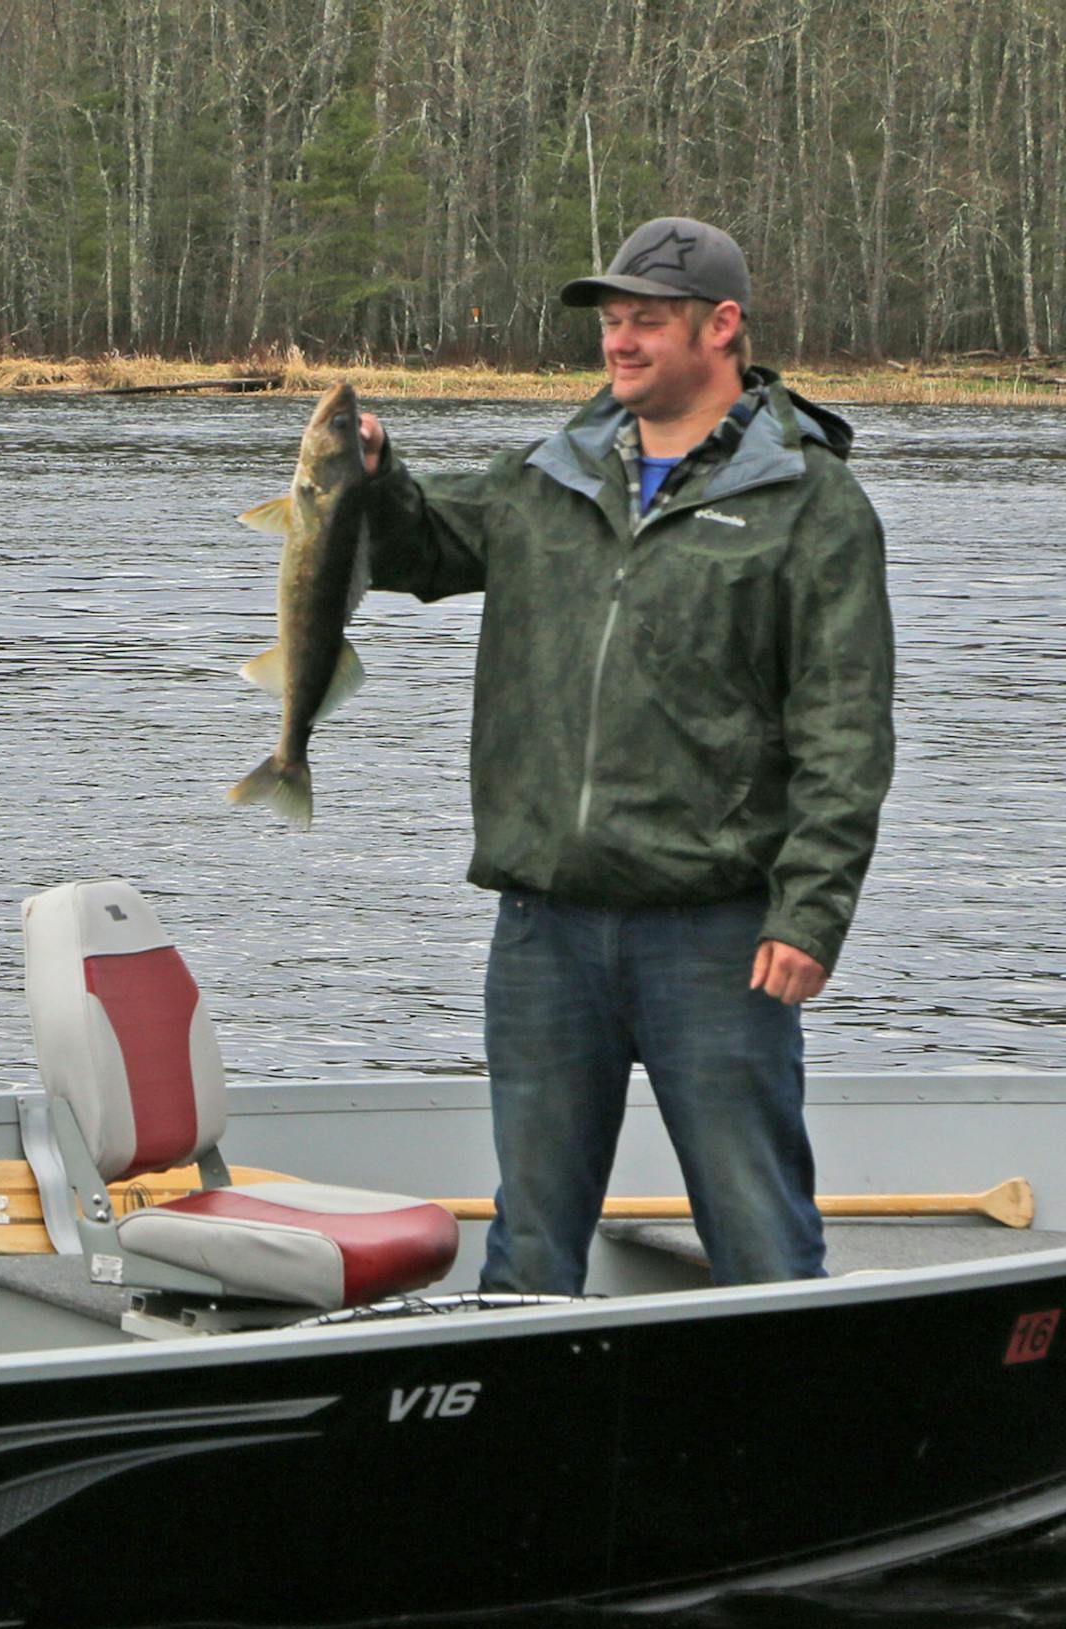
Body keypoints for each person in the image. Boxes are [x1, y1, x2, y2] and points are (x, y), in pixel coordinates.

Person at [356, 215, 895, 1292]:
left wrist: (810, 911)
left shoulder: (812, 503)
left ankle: (792, 1437)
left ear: (722, 326)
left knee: (759, 1228)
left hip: (721, 935)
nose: (621, 342)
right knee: (532, 1239)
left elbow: (847, 731)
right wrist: (370, 473)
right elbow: (414, 550)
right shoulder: (545, 476)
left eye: (647, 321)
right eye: (612, 322)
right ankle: (522, 1440)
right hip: (545, 928)